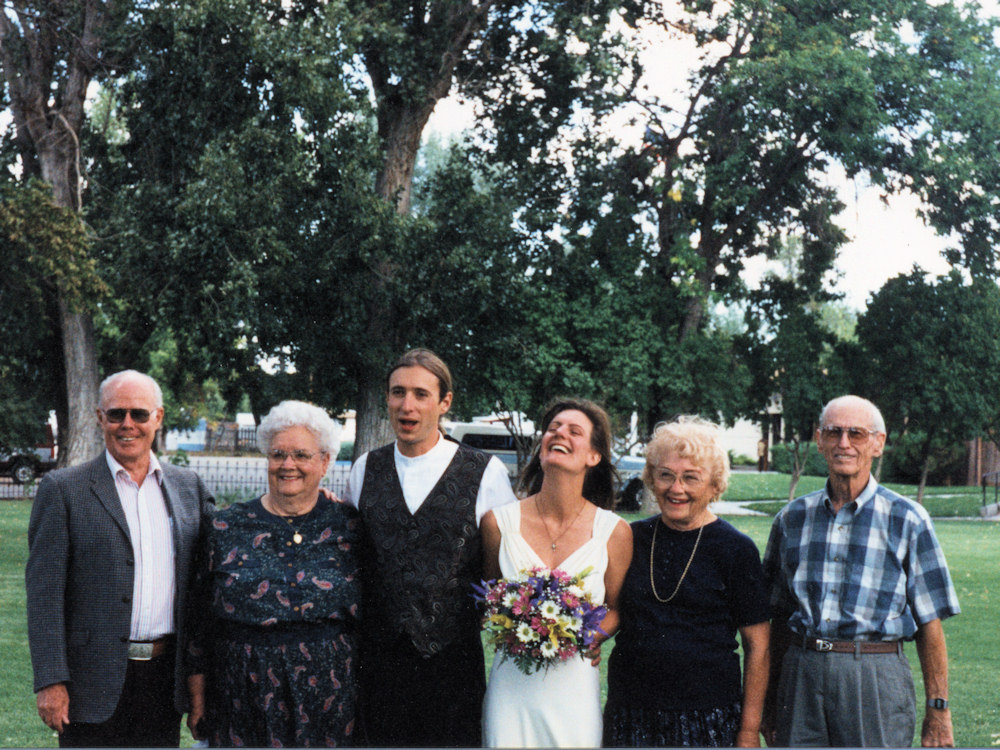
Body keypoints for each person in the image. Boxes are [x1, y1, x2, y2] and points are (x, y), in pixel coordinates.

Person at [25, 370, 214, 747]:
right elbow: (44, 595)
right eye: (116, 414)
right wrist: (51, 680)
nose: (127, 424)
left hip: (164, 681)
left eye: (139, 414)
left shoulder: (187, 487)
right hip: (88, 683)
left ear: (158, 418)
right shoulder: (64, 490)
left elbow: (224, 551)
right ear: (100, 418)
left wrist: (309, 498)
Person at [761, 395, 960, 748]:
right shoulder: (792, 519)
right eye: (834, 432)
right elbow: (777, 619)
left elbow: (930, 623)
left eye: (856, 434)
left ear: (878, 444)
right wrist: (770, 700)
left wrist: (939, 709)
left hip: (875, 678)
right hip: (801, 676)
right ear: (819, 440)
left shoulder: (908, 519)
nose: (844, 443)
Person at [344, 348, 517, 747]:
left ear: (444, 403)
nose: (407, 406)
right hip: (377, 663)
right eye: (397, 392)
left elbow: (502, 571)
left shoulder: (484, 472)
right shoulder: (364, 469)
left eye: (421, 394)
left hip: (452, 666)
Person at [186, 400, 361, 747]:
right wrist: (197, 700)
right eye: (278, 454)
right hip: (241, 695)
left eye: (301, 455)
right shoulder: (224, 527)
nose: (288, 465)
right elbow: (198, 622)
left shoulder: (351, 527)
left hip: (331, 695)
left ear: (325, 461)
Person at [603, 416, 770, 748]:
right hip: (631, 711)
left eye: (690, 478)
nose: (675, 488)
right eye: (665, 475)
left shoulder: (736, 549)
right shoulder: (629, 537)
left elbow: (759, 647)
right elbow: (609, 610)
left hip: (706, 716)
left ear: (714, 485)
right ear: (651, 478)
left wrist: (749, 730)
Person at [481, 398, 633, 748]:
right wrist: (513, 623)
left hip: (574, 688)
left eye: (574, 431)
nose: (559, 433)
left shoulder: (614, 532)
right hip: (511, 688)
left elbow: (616, 608)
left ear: (593, 457)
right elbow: (488, 598)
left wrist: (586, 637)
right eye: (552, 428)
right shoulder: (498, 523)